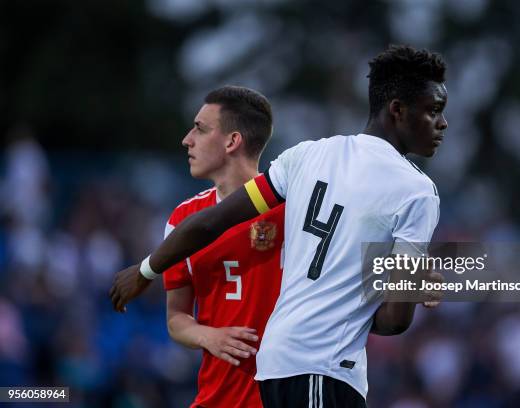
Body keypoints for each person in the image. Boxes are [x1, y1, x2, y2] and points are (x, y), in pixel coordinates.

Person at [110, 44, 448, 407]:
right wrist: (404, 289)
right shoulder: (417, 191)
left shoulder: (307, 155)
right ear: (397, 109)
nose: (442, 123)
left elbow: (211, 222)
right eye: (434, 111)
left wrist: (146, 270)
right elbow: (395, 321)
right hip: (325, 365)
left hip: (275, 365)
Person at [160, 85, 285, 407]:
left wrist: (415, 281)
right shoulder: (183, 219)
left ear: (232, 141)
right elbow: (176, 317)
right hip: (217, 397)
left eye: (200, 129)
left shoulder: (293, 210)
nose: (187, 139)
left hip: (288, 394)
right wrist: (209, 335)